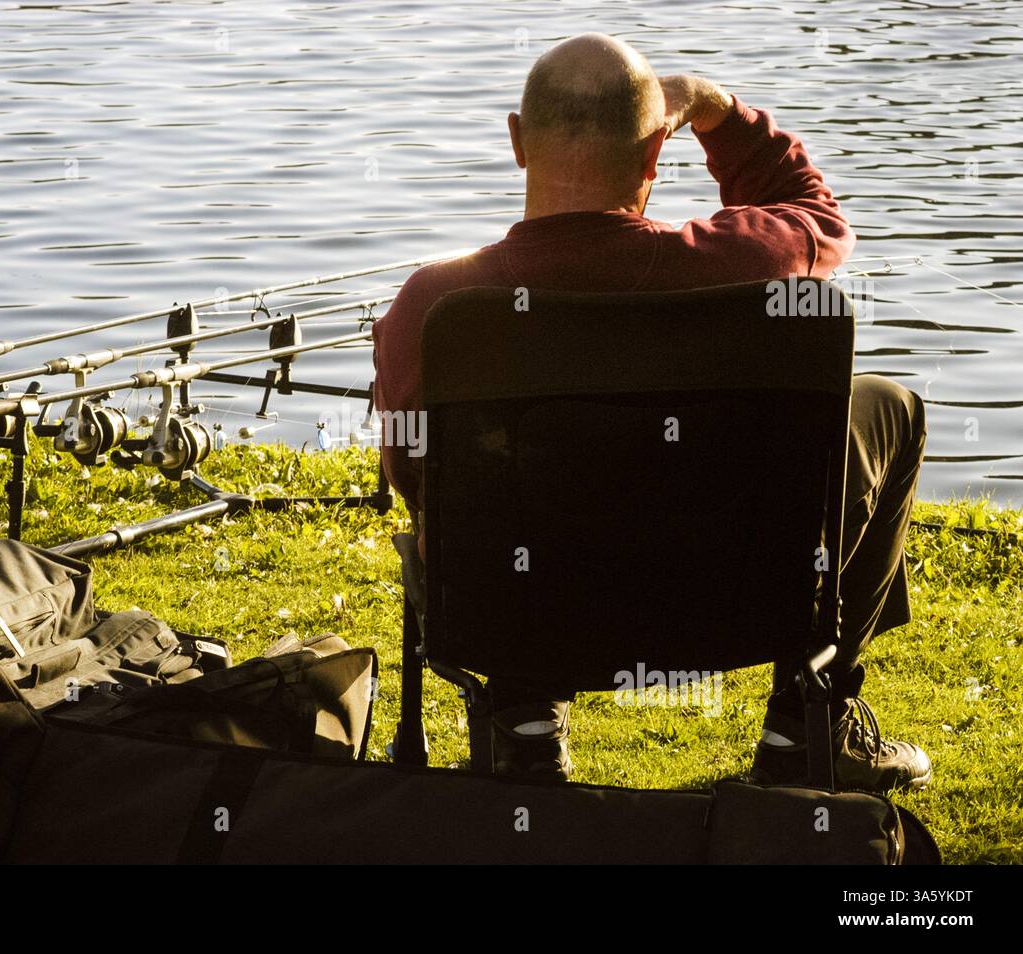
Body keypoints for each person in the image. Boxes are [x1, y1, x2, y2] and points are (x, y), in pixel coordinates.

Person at [372, 33, 931, 792]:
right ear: (654, 158)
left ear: (515, 142)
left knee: (485, 488)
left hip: (520, 614)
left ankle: (524, 722)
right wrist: (714, 109)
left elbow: (415, 479)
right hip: (731, 602)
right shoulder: (742, 261)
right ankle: (805, 725)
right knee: (889, 407)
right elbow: (814, 212)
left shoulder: (433, 306)